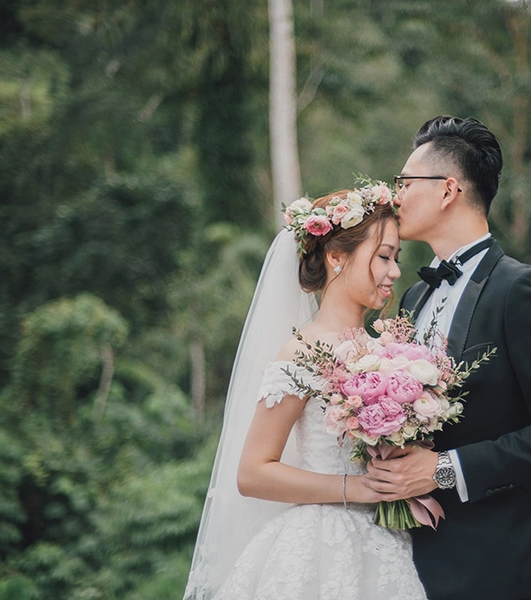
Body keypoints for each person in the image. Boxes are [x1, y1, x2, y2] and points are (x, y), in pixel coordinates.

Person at [362, 116, 531, 600]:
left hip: (493, 560)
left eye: (404, 183)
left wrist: (444, 469)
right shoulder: (412, 299)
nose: (394, 196)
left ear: (448, 189)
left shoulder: (521, 289)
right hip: (406, 556)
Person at [183, 184, 428, 600]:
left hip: (387, 541)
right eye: (384, 256)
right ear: (336, 256)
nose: (395, 272)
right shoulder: (303, 350)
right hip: (320, 544)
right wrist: (356, 489)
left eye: (396, 259)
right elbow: (253, 472)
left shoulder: (388, 352)